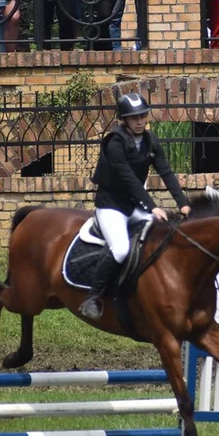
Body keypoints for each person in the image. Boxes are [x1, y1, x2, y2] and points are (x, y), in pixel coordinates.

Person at [80, 92, 191, 320]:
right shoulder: (115, 143)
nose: (139, 121)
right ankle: (92, 297)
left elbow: (166, 172)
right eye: (134, 118)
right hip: (111, 206)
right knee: (120, 249)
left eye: (142, 116)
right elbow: (128, 178)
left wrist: (184, 204)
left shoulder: (150, 140)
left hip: (133, 206)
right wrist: (152, 207)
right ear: (124, 120)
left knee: (161, 236)